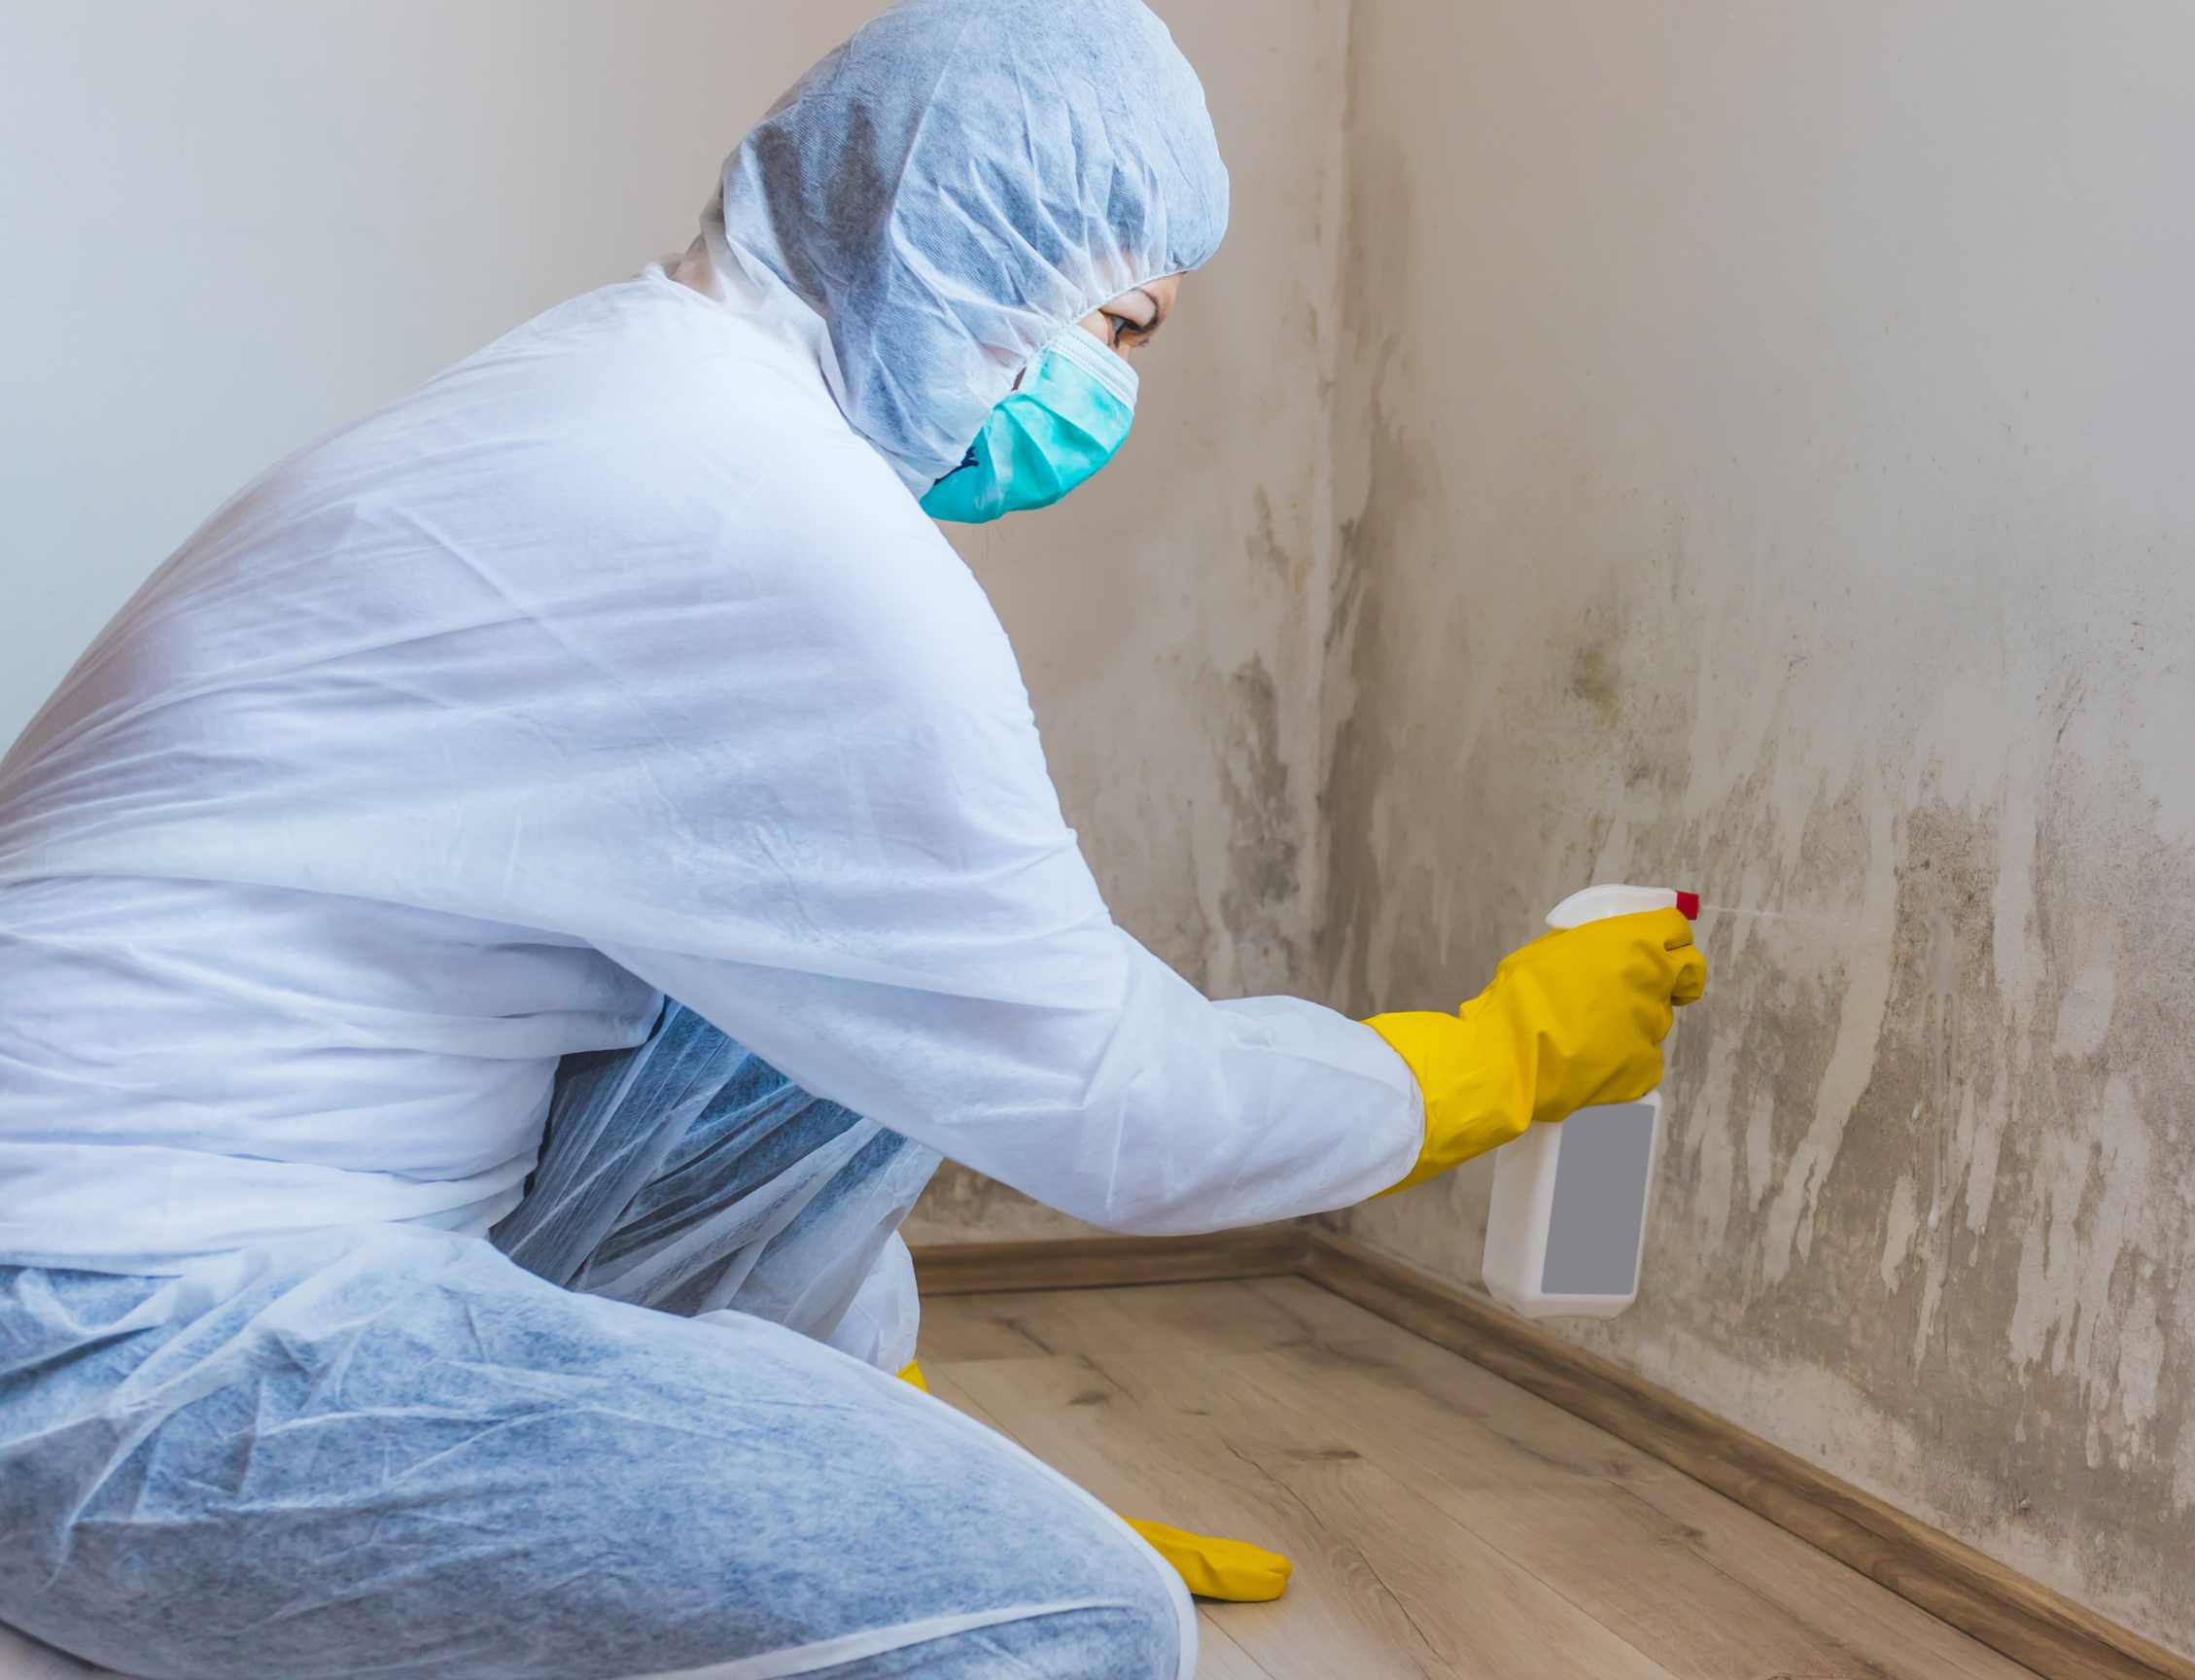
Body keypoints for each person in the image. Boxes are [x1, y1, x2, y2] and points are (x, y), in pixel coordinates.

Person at [0, 2, 1704, 1675]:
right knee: (1082, 1627)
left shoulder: (612, 388)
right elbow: (1124, 1106)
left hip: (147, 1243)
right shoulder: (778, 525)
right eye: (1121, 325)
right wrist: (1502, 1058)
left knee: (840, 1001)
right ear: (965, 237)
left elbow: (883, 1040)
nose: (1114, 390)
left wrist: (884, 1472)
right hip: (118, 1350)